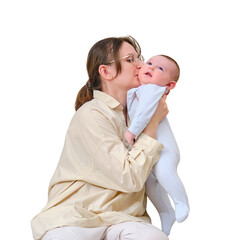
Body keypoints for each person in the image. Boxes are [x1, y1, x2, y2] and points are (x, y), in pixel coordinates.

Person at [31, 36, 170, 240]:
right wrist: (152, 126)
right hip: (76, 218)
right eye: (131, 59)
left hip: (125, 218)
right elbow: (128, 177)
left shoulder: (142, 115)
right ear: (106, 72)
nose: (141, 65)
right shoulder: (92, 114)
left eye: (140, 58)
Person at [125, 55, 190, 235]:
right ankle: (165, 212)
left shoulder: (152, 90)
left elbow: (144, 113)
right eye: (150, 63)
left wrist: (132, 131)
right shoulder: (141, 89)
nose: (152, 68)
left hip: (164, 150)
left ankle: (181, 201)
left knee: (163, 172)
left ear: (169, 86)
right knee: (151, 184)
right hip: (150, 150)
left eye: (160, 69)